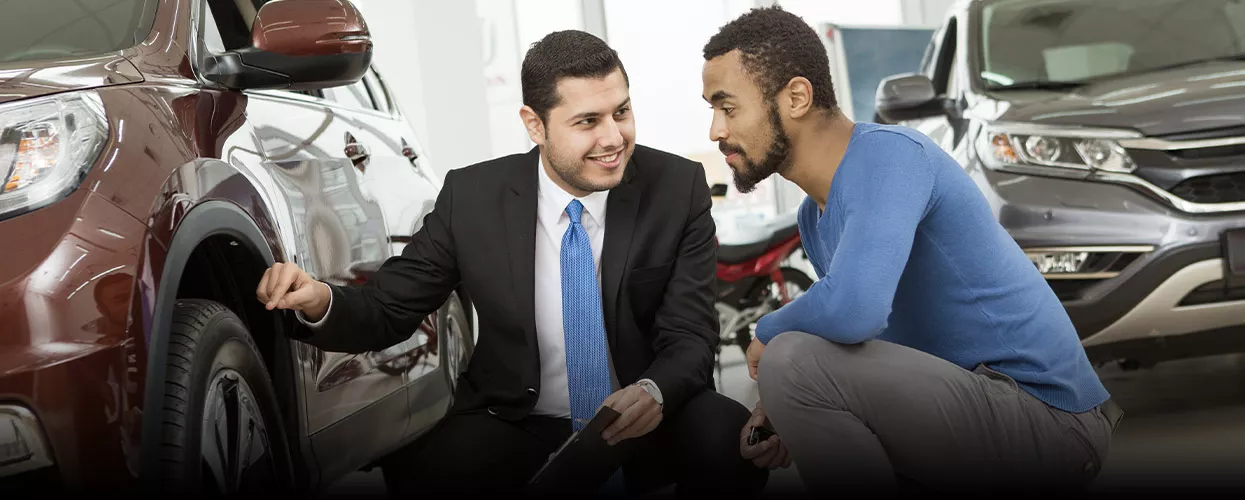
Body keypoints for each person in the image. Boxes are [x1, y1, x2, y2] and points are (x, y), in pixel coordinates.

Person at [256, 29, 769, 496]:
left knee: (730, 439)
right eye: (587, 121)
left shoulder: (677, 189)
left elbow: (691, 336)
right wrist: (321, 300)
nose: (613, 138)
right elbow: (388, 308)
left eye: (621, 112)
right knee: (429, 473)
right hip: (519, 417)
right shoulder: (471, 197)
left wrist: (655, 390)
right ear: (534, 125)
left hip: (647, 412)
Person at [700, 6, 1123, 495]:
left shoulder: (890, 155)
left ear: (796, 97)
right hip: (971, 409)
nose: (715, 130)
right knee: (793, 367)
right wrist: (787, 411)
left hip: (1048, 420)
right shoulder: (813, 217)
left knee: (789, 358)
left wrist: (769, 331)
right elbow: (851, 343)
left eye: (728, 108)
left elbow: (854, 309)